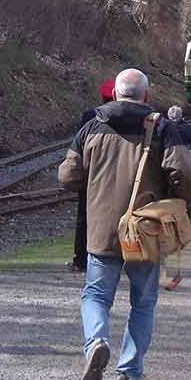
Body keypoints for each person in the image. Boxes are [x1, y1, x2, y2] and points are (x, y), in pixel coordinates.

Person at [58, 69, 191, 380]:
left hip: (102, 232)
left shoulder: (91, 127)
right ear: (145, 96)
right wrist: (178, 199)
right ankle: (130, 372)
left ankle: (97, 342)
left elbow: (67, 177)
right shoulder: (162, 127)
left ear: (115, 94)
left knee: (95, 296)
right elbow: (184, 171)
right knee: (143, 303)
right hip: (145, 229)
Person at [68, 79, 115, 273]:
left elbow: (79, 145)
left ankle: (81, 259)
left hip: (91, 175)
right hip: (114, 175)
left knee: (84, 218)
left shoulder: (89, 116)